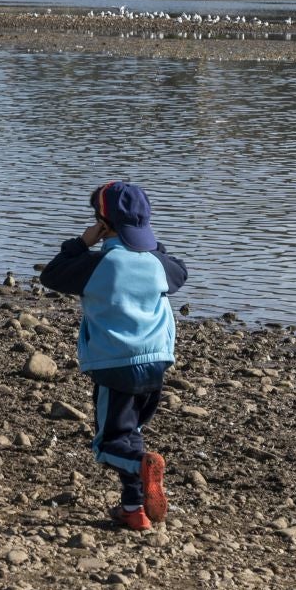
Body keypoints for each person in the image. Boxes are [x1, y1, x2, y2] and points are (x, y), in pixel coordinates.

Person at [40, 181, 187, 531]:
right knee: (130, 432)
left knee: (108, 444)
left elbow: (51, 275)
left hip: (116, 364)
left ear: (102, 223)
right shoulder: (159, 264)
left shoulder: (96, 265)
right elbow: (179, 270)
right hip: (156, 364)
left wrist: (82, 242)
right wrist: (150, 244)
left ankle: (141, 466)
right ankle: (133, 509)